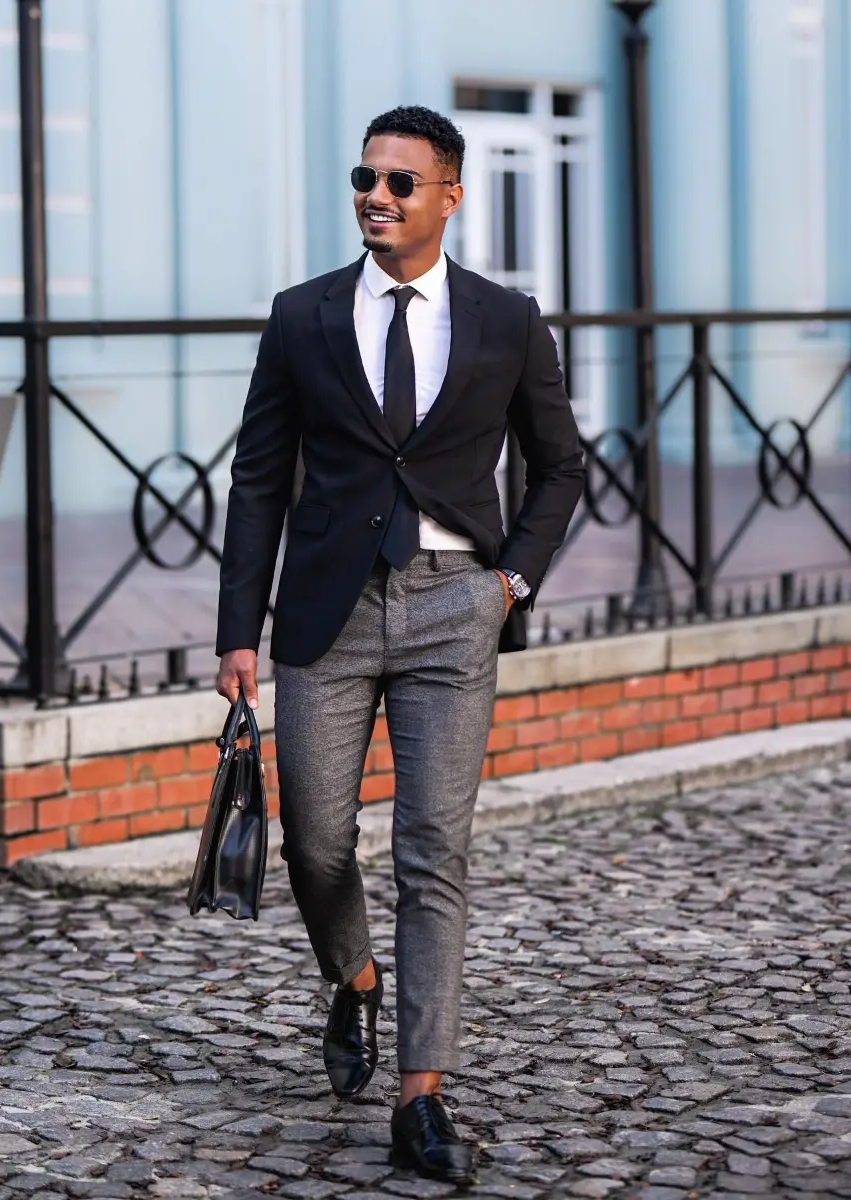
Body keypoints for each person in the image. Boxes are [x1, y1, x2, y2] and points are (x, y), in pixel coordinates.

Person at [216, 105, 584, 1184]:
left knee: (434, 851)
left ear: (449, 197)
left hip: (452, 609)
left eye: (402, 182)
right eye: (365, 177)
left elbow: (557, 464)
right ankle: (355, 975)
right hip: (325, 613)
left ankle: (421, 1095)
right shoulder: (303, 316)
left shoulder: (507, 321)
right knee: (316, 843)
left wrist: (509, 582)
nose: (377, 195)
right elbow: (257, 481)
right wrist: (240, 627)